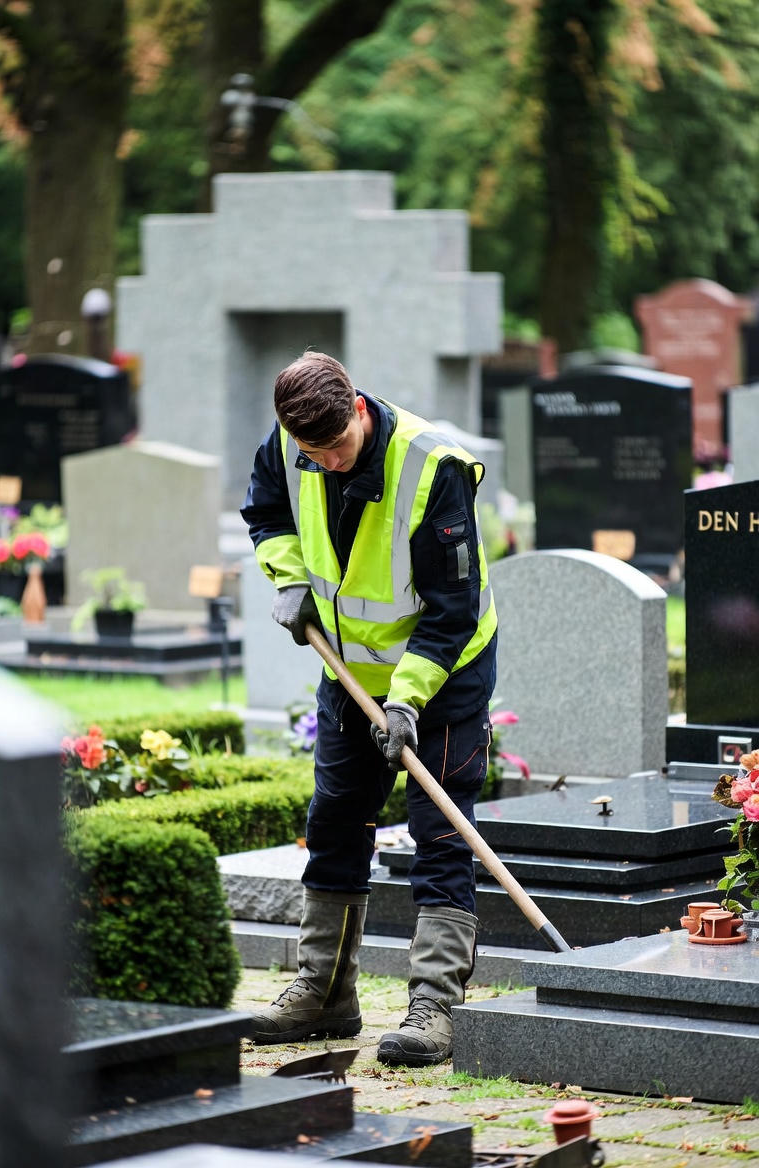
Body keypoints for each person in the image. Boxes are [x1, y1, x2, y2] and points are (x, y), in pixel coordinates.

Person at [240, 351, 498, 1066]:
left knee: (438, 829)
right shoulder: (291, 441)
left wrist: (408, 701)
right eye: (310, 454)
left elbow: (451, 612)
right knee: (335, 818)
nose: (323, 464)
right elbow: (265, 510)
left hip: (443, 677)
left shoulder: (433, 469)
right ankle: (325, 996)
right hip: (349, 669)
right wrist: (290, 581)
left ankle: (435, 1007)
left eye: (336, 449)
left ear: (357, 408)